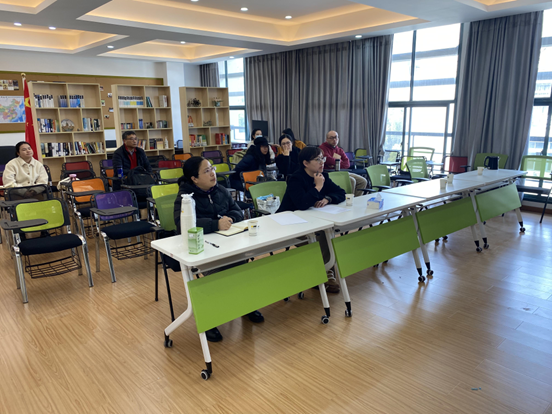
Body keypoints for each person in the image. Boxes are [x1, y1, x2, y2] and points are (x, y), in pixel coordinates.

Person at [173, 156, 265, 342]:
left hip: (228, 242)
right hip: (202, 248)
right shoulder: (185, 198)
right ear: (194, 178)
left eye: (212, 168)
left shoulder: (220, 190)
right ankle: (209, 319)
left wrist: (229, 219)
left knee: (242, 268)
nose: (212, 173)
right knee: (216, 277)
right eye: (206, 171)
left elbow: (236, 211)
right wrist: (215, 224)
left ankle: (246, 305)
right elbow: (182, 224)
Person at [278, 147, 345, 293]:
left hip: (311, 220)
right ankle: (325, 273)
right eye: (318, 159)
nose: (322, 162)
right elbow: (302, 204)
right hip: (289, 223)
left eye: (323, 158)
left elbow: (341, 192)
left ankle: (324, 271)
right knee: (321, 235)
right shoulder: (296, 179)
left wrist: (328, 198)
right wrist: (318, 187)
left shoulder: (322, 175)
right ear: (305, 163)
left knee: (326, 231)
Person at [319, 131, 368, 197]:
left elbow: (347, 164)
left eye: (336, 137)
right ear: (327, 139)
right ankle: (348, 200)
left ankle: (355, 199)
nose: (334, 139)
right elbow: (328, 160)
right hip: (330, 173)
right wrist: (340, 162)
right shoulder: (322, 148)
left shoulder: (339, 150)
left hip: (342, 172)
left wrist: (335, 164)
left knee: (363, 181)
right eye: (331, 138)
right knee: (352, 180)